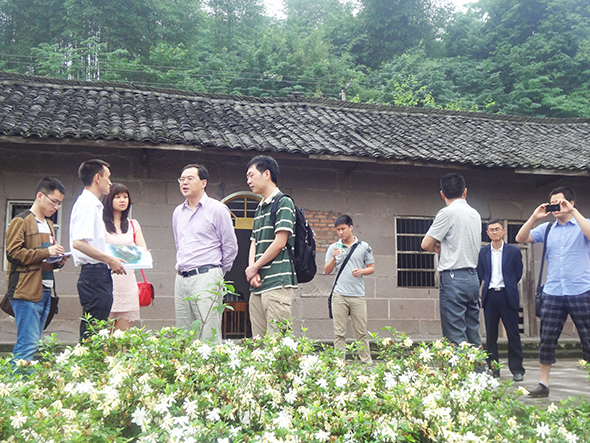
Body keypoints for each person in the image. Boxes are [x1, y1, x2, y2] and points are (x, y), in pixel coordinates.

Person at [516, 186, 590, 398]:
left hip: (581, 290)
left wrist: (573, 212)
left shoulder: (583, 224)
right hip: (553, 291)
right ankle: (543, 384)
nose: (556, 207)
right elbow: (521, 238)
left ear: (571, 203)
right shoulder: (547, 229)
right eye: (553, 204)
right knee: (547, 339)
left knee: (588, 338)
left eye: (561, 202)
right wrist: (534, 216)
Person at [5, 178, 69, 363]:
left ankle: (22, 379)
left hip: (45, 289)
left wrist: (58, 261)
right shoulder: (21, 220)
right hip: (26, 290)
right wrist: (47, 251)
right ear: (40, 196)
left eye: (59, 203)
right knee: (27, 344)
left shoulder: (48, 224)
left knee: (32, 344)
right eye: (54, 201)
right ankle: (17, 381)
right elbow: (13, 254)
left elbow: (43, 260)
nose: (56, 206)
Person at [172, 164, 238, 343]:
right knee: (183, 334)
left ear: (203, 183)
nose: (184, 183)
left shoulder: (217, 209)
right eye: (181, 179)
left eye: (190, 178)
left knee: (208, 331)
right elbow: (179, 244)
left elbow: (230, 246)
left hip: (207, 276)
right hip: (181, 278)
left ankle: (210, 362)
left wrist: (217, 272)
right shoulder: (177, 212)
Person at [421, 173, 482, 346]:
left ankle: (459, 364)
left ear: (442, 194)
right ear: (465, 192)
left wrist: (436, 247)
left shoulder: (447, 213)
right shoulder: (475, 213)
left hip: (454, 277)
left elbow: (425, 244)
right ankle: (477, 364)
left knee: (455, 335)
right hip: (472, 277)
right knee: (472, 332)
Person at [70, 159, 126, 340]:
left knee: (97, 327)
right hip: (93, 274)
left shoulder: (93, 204)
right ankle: (86, 358)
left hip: (98, 272)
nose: (110, 182)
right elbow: (78, 243)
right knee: (93, 330)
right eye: (107, 177)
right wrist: (109, 259)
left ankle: (89, 356)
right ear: (97, 178)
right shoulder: (87, 203)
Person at [245, 155, 297, 337]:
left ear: (266, 174)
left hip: (277, 283)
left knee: (277, 344)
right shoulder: (259, 208)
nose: (248, 181)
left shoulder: (284, 202)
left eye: (251, 175)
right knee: (258, 344)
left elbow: (280, 242)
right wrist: (252, 271)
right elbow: (254, 241)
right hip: (257, 285)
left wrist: (254, 267)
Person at [477, 219, 525, 381]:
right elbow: (480, 273)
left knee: (513, 334)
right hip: (490, 296)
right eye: (491, 230)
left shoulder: (513, 251)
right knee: (491, 337)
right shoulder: (483, 252)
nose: (495, 232)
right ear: (487, 233)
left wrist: (509, 285)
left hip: (507, 295)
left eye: (497, 229)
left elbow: (518, 273)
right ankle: (493, 369)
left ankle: (517, 370)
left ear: (503, 231)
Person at [324, 215, 375, 364]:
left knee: (361, 332)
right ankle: (339, 362)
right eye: (338, 230)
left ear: (351, 227)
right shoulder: (333, 248)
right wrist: (334, 258)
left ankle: (366, 362)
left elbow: (371, 268)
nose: (341, 232)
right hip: (339, 295)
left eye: (343, 229)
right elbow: (326, 270)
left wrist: (361, 271)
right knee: (339, 333)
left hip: (358, 295)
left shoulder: (364, 246)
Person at [103, 183, 148, 331]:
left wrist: (122, 252)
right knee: (103, 336)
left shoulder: (133, 224)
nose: (122, 200)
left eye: (125, 197)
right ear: (109, 199)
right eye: (117, 197)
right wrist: (129, 252)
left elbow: (143, 251)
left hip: (128, 283)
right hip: (107, 282)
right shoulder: (101, 223)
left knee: (121, 337)